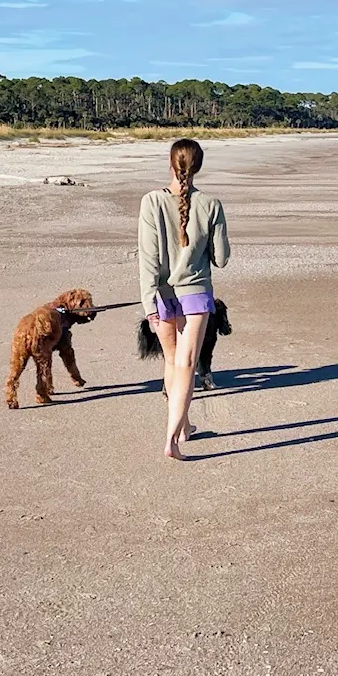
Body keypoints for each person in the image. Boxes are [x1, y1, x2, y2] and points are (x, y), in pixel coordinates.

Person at [138, 138, 230, 460]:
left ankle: (185, 425)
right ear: (199, 166)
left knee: (172, 361)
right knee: (187, 365)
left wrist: (149, 304)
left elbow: (147, 259)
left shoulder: (151, 201)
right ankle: (171, 439)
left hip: (161, 295)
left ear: (170, 161)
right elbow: (221, 259)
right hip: (195, 294)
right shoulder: (212, 204)